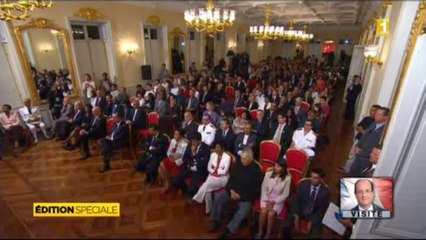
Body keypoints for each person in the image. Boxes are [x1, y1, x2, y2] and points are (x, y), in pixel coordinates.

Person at [208, 148, 263, 239]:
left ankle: (229, 230)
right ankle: (215, 221)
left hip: (245, 197)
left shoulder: (256, 170)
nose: (242, 160)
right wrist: (231, 191)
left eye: (244, 159)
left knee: (244, 210)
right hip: (232, 192)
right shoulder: (238, 164)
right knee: (219, 197)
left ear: (250, 158)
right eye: (241, 158)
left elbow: (255, 189)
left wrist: (241, 196)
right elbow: (231, 180)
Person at [283, 168, 331, 239]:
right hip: (301, 211)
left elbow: (322, 210)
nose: (312, 179)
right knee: (286, 225)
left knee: (316, 234)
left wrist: (312, 221)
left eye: (315, 178)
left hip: (314, 214)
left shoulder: (325, 192)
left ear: (321, 179)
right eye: (312, 176)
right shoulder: (303, 184)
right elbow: (296, 200)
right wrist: (296, 215)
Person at [256, 159, 291, 239]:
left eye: (278, 166)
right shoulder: (268, 174)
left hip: (277, 200)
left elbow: (285, 194)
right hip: (266, 197)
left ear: (283, 168)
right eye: (275, 165)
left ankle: (267, 234)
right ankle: (260, 231)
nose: (275, 168)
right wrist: (267, 200)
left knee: (271, 214)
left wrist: (274, 202)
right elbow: (263, 188)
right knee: (263, 212)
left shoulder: (287, 179)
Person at [193, 141, 232, 214]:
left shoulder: (227, 157)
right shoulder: (213, 155)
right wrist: (215, 170)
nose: (215, 149)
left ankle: (196, 198)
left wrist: (215, 169)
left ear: (222, 149)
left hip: (222, 178)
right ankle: (209, 210)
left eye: (218, 148)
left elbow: (225, 171)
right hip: (212, 176)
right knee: (207, 191)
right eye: (215, 147)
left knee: (207, 185)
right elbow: (209, 167)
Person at [349, 107, 389, 176]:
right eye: (376, 113)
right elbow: (364, 136)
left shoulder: (385, 130)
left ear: (385, 117)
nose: (376, 115)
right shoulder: (373, 124)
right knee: (352, 172)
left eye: (379, 114)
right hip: (360, 155)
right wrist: (358, 145)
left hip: (368, 159)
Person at [172, 132, 210, 202]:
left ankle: (192, 196)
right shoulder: (190, 145)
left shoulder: (206, 148)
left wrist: (194, 155)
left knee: (192, 186)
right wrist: (191, 163)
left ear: (200, 141)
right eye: (192, 141)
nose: (193, 143)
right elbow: (185, 158)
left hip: (200, 170)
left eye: (195, 142)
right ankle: (185, 189)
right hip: (190, 167)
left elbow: (205, 162)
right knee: (175, 181)